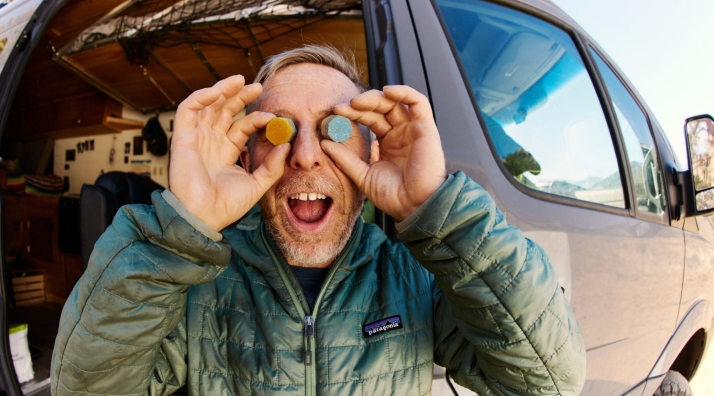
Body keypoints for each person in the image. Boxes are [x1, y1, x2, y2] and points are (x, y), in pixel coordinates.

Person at [51, 45, 585, 395]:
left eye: (334, 127)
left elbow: (552, 382)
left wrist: (439, 209)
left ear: (372, 153)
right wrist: (180, 226)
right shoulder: (194, 285)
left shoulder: (413, 277)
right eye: (280, 130)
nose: (306, 154)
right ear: (249, 156)